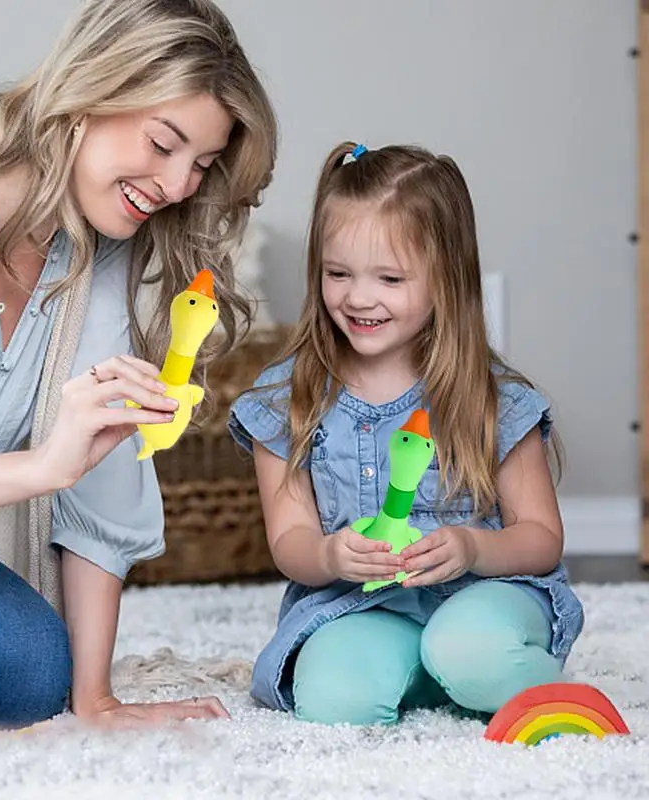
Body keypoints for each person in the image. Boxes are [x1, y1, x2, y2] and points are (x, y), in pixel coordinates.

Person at [0, 0, 277, 735]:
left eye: (200, 165)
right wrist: (43, 466)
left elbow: (104, 487)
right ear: (89, 93)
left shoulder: (94, 250)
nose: (177, 186)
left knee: (29, 670)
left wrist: (97, 700)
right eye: (163, 143)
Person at [228, 141, 583, 726]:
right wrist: (329, 554)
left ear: (446, 278)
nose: (358, 298)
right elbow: (291, 540)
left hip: (483, 597)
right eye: (337, 273)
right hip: (364, 607)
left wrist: (473, 547)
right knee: (332, 699)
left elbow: (541, 538)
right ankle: (433, 677)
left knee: (468, 649)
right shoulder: (286, 399)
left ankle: (480, 671)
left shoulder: (491, 396)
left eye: (389, 278)